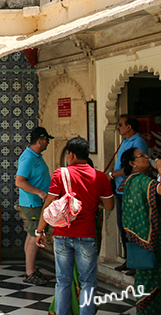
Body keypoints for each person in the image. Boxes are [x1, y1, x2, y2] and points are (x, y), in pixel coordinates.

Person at [36, 137, 114, 315]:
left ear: (70, 154)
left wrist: (39, 231)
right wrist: (93, 202)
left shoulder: (60, 174)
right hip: (87, 236)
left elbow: (49, 204)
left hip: (62, 235)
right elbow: (109, 206)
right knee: (88, 282)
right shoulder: (100, 177)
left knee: (63, 281)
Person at [121, 146, 161, 314]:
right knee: (152, 280)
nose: (146, 157)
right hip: (152, 241)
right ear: (132, 163)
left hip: (140, 242)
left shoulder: (130, 181)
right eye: (141, 156)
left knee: (144, 278)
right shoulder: (141, 182)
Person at [109, 115, 148, 273]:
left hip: (131, 190)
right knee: (123, 226)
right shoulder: (125, 142)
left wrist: (111, 174)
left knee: (134, 226)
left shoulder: (138, 143)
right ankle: (128, 259)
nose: (118, 128)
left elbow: (134, 168)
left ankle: (136, 262)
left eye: (120, 125)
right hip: (121, 190)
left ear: (129, 127)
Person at [15, 126, 52, 285]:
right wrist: (40, 192)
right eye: (46, 141)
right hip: (33, 204)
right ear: (40, 141)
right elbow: (19, 181)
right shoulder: (28, 158)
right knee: (34, 235)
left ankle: (31, 270)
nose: (47, 144)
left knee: (33, 235)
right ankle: (30, 272)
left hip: (38, 204)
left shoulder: (36, 156)